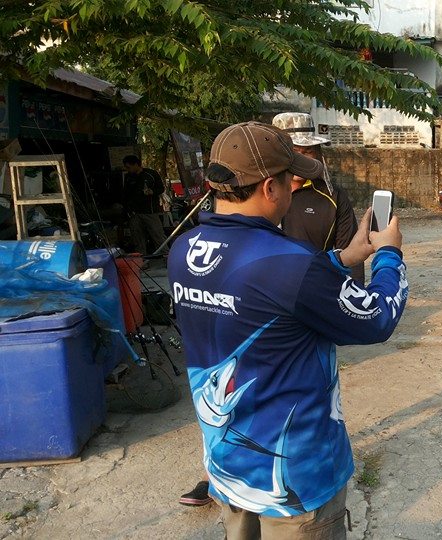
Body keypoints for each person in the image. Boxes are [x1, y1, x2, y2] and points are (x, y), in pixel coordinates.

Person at [167, 121, 408, 537]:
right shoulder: (289, 262)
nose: (295, 186)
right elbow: (378, 317)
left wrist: (341, 258)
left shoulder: (185, 248)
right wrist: (388, 255)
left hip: (229, 465)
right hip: (294, 481)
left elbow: (256, 298)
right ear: (269, 188)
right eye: (289, 178)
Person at [272, 112, 363, 281]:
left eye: (307, 151)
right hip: (263, 292)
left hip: (313, 290)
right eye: (294, 151)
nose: (300, 159)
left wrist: (356, 296)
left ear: (318, 154)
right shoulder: (255, 193)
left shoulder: (333, 197)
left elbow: (351, 253)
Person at [121, 155, 167, 258]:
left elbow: (161, 188)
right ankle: (141, 260)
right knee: (138, 239)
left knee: (158, 235)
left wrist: (152, 191)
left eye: (129, 167)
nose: (128, 170)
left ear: (136, 165)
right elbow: (126, 194)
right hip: (134, 212)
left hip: (149, 211)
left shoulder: (151, 174)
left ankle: (166, 257)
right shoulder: (129, 177)